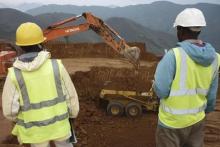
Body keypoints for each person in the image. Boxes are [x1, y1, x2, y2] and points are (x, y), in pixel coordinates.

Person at [2, 22, 79, 147]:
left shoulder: (14, 74)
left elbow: (9, 111)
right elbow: (71, 97)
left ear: (20, 46)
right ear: (41, 43)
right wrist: (72, 115)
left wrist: (22, 118)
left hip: (35, 132)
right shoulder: (57, 66)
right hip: (60, 126)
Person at [153, 8, 220, 147]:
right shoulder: (215, 58)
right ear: (199, 30)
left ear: (180, 30)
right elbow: (212, 96)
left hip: (171, 124)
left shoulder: (173, 56)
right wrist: (203, 112)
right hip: (197, 121)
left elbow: (161, 91)